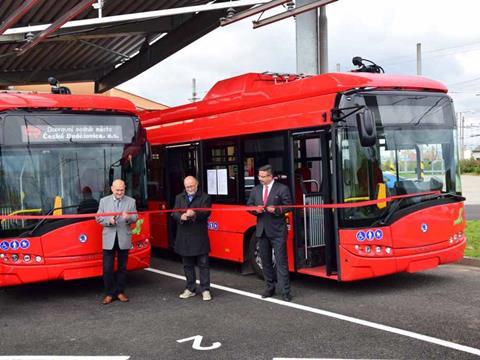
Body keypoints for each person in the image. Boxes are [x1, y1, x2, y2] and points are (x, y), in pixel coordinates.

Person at [247, 164, 293, 302]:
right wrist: (256, 210)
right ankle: (269, 288)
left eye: (263, 176)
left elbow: (289, 206)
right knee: (266, 262)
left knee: (281, 262)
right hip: (261, 231)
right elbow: (249, 205)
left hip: (277, 231)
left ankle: (285, 291)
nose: (260, 179)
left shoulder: (282, 188)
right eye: (259, 176)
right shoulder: (256, 190)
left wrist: (277, 210)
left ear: (270, 176)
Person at [96, 179, 138, 305]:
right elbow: (98, 218)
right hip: (109, 238)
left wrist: (128, 218)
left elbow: (136, 217)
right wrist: (109, 221)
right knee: (107, 268)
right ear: (112, 189)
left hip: (124, 238)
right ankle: (109, 293)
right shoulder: (104, 201)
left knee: (122, 268)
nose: (120, 192)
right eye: (117, 190)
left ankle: (120, 292)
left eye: (122, 190)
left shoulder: (131, 201)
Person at [171, 176, 212, 301]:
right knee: (187, 265)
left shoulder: (205, 197)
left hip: (199, 235)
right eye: (187, 186)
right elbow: (173, 212)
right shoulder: (179, 197)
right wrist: (180, 217)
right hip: (184, 236)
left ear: (197, 184)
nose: (189, 189)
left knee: (203, 264)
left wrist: (194, 214)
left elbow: (206, 213)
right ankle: (190, 288)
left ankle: (205, 289)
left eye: (192, 186)